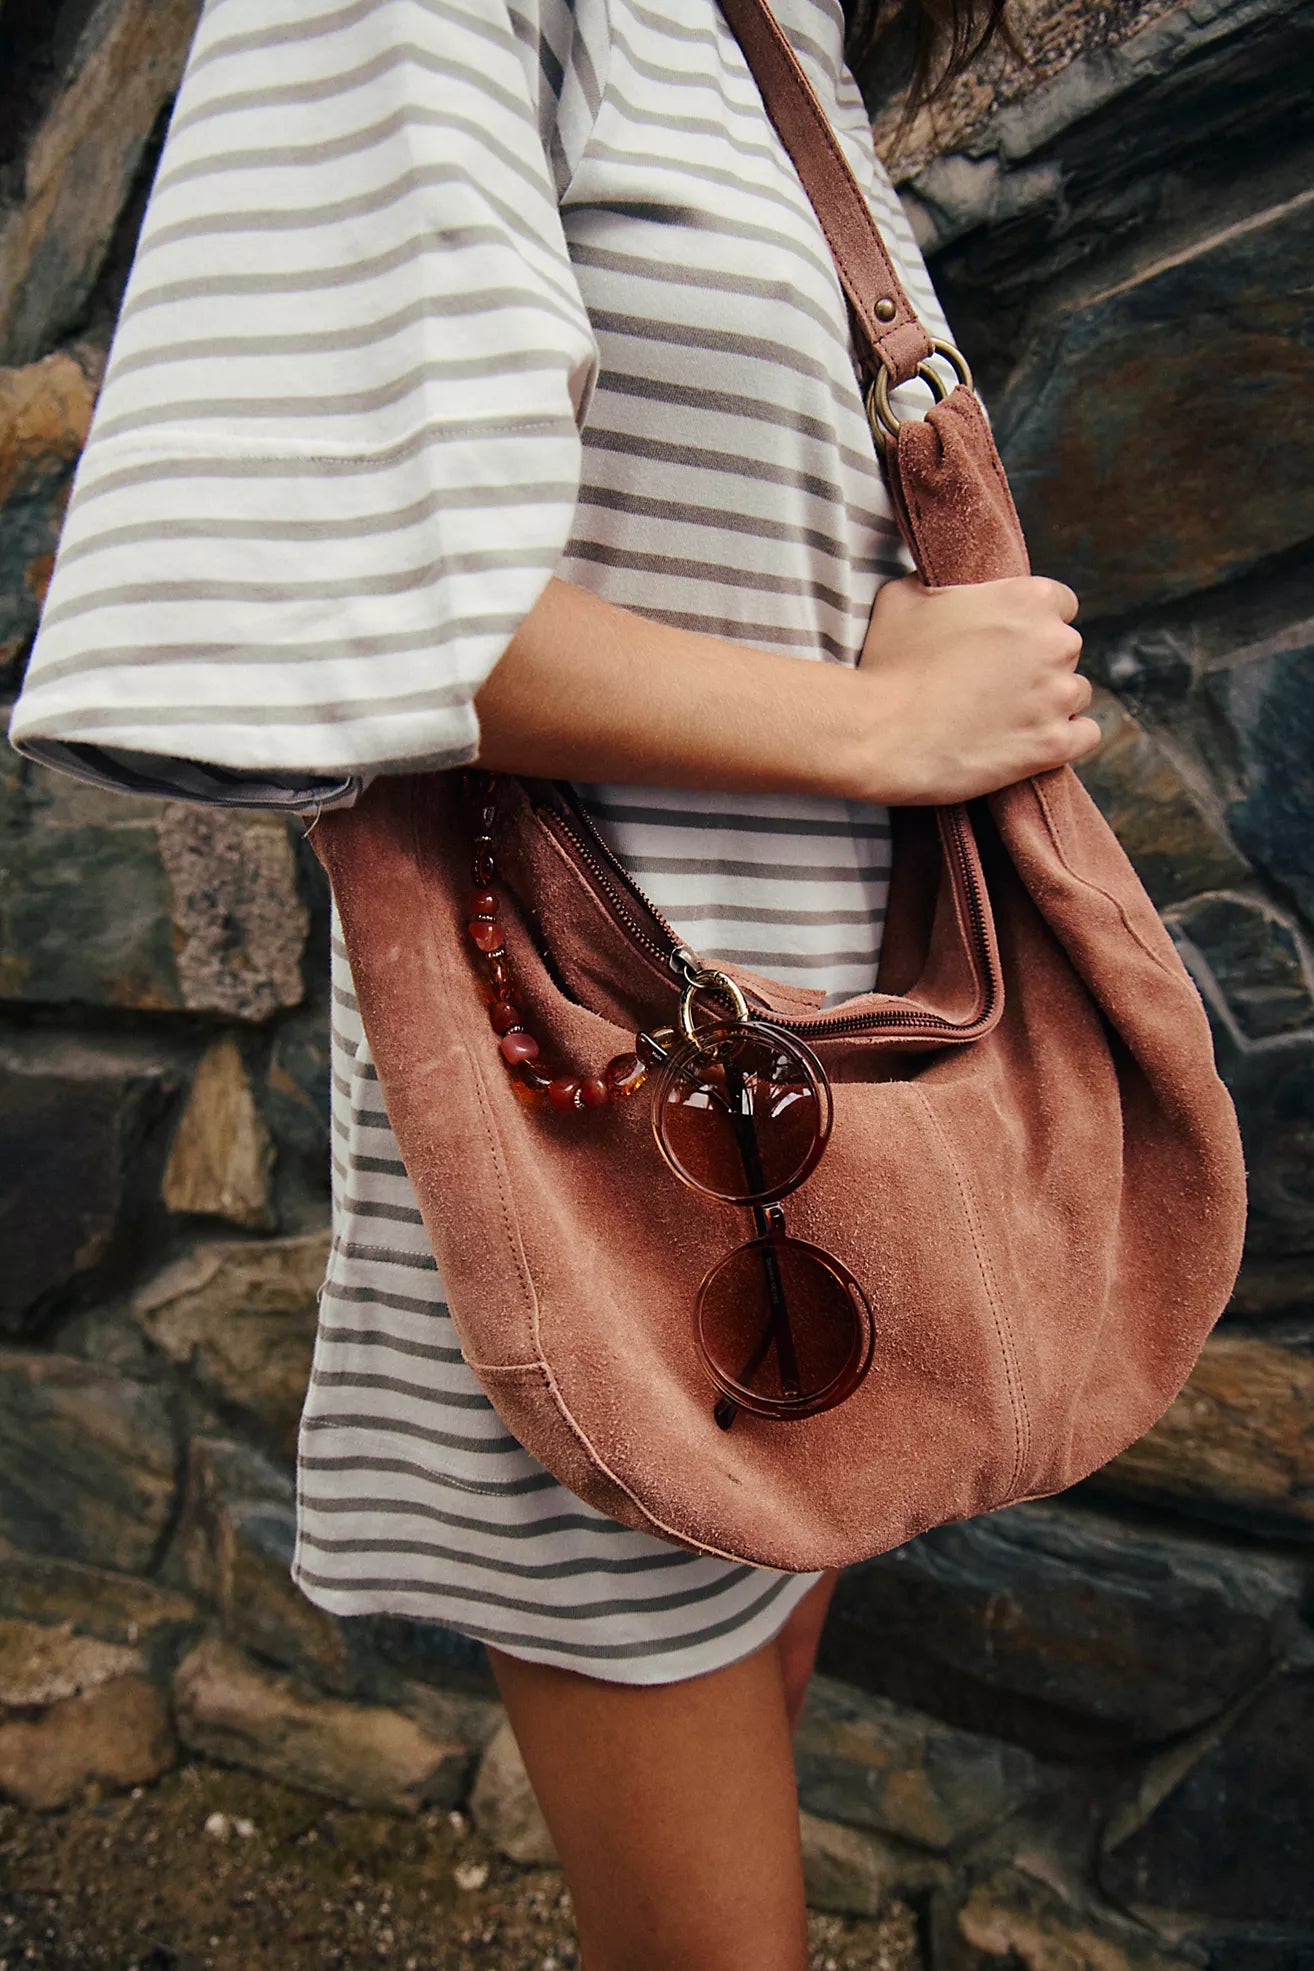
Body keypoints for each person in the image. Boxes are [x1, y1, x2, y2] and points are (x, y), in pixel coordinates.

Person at [9, 0, 1097, 1961]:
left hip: (831, 1144)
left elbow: (676, 531)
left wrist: (878, 611)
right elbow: (319, 573)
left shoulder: (783, 40)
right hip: (593, 1162)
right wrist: (883, 727)